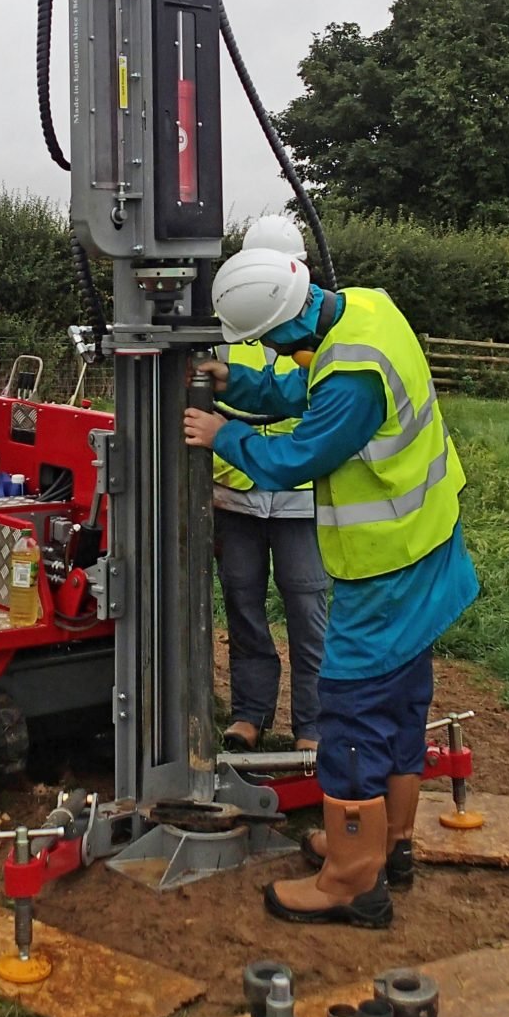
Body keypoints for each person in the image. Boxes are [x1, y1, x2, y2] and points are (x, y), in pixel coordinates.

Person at [184, 246, 479, 930]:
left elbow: (297, 455)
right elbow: (303, 389)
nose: (272, 352)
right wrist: (237, 381)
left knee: (348, 713)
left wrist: (222, 434)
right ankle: (389, 845)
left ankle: (351, 880)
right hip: (427, 543)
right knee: (401, 702)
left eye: (267, 342)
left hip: (385, 569)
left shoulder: (350, 380)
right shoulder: (365, 311)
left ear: (285, 324)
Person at [213, 215, 328, 754]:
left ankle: (313, 725)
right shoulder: (228, 321)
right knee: (243, 607)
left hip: (299, 496)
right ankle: (250, 714)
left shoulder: (318, 335)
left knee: (308, 610)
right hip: (235, 495)